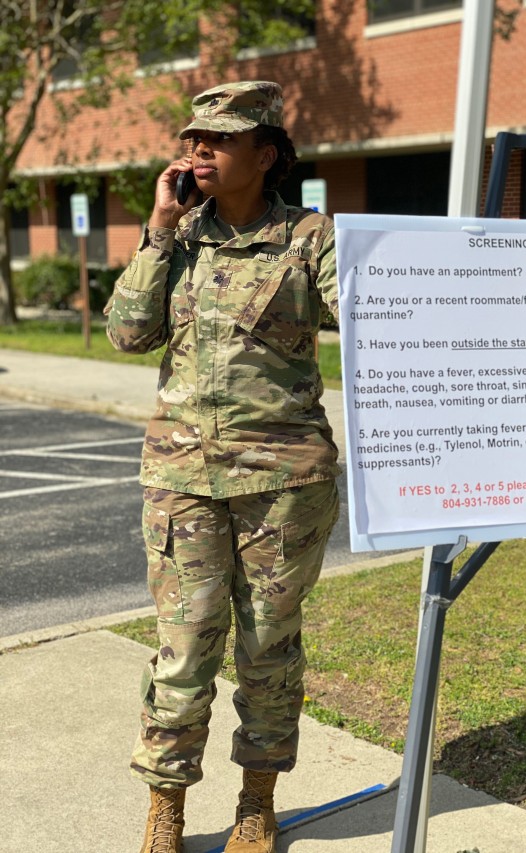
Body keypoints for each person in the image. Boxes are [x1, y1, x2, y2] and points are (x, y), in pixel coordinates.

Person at [105, 80, 341, 853]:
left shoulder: (310, 239)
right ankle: (166, 803)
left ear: (266, 154)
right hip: (181, 480)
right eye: (194, 137)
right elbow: (128, 333)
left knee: (269, 648)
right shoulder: (177, 237)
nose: (199, 148)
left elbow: (382, 311)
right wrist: (158, 228)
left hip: (284, 487)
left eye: (222, 138)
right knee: (182, 650)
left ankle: (257, 800)